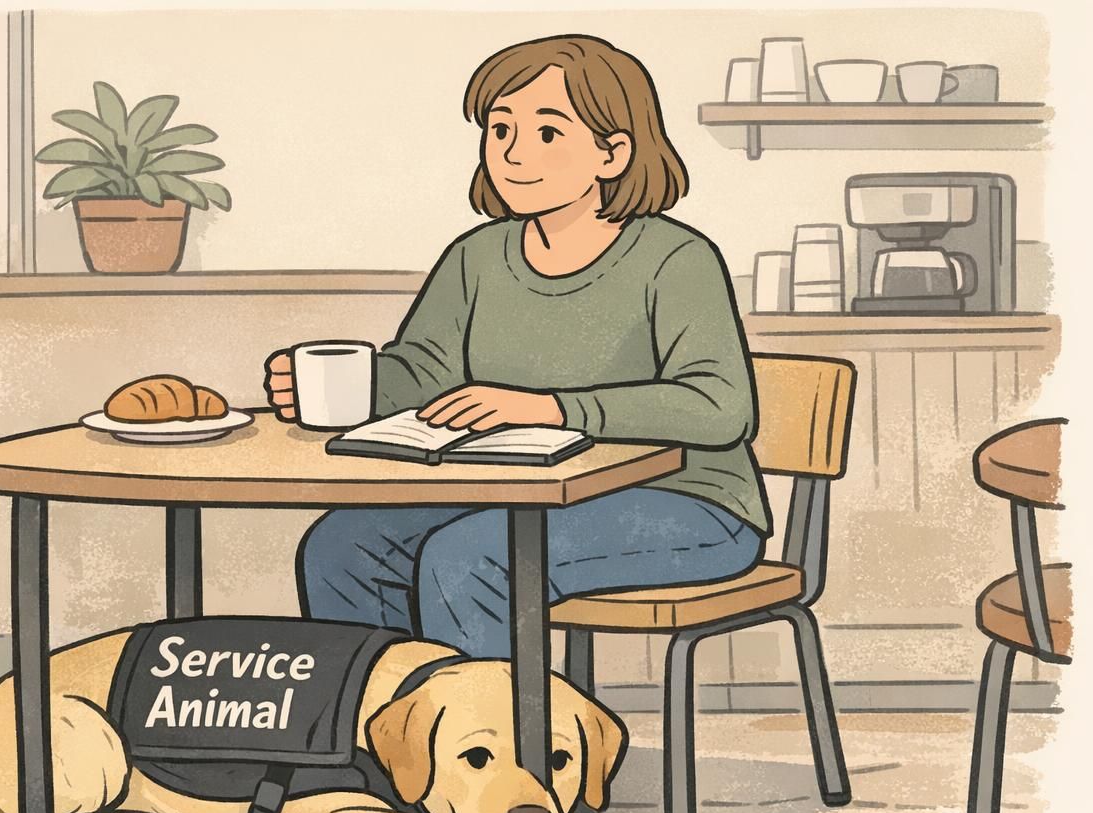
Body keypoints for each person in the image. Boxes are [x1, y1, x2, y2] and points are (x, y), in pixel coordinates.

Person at [264, 34, 771, 659]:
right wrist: (348, 386)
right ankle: (380, 743)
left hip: (690, 506)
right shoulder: (476, 257)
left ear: (613, 154)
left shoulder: (677, 259)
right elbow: (425, 369)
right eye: (500, 130)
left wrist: (553, 408)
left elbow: (721, 408)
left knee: (474, 557)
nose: (513, 154)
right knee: (343, 548)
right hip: (518, 494)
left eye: (547, 134)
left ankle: (497, 750)